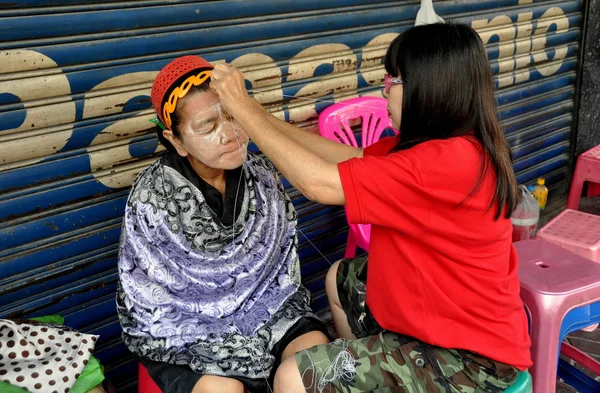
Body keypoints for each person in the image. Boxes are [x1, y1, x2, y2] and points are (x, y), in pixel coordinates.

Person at [210, 22, 532, 393]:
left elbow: (319, 183)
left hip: (470, 361)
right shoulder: (440, 145)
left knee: (292, 378)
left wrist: (243, 107)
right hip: (445, 314)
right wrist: (260, 119)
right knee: (341, 278)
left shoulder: (446, 161)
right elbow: (347, 157)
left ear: (429, 87)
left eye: (393, 81)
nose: (385, 90)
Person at [115, 55, 329, 393]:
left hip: (268, 307)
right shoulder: (151, 200)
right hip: (188, 329)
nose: (230, 134)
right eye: (207, 126)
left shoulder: (260, 174)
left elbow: (279, 270)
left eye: (232, 116)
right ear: (176, 141)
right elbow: (154, 300)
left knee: (315, 360)